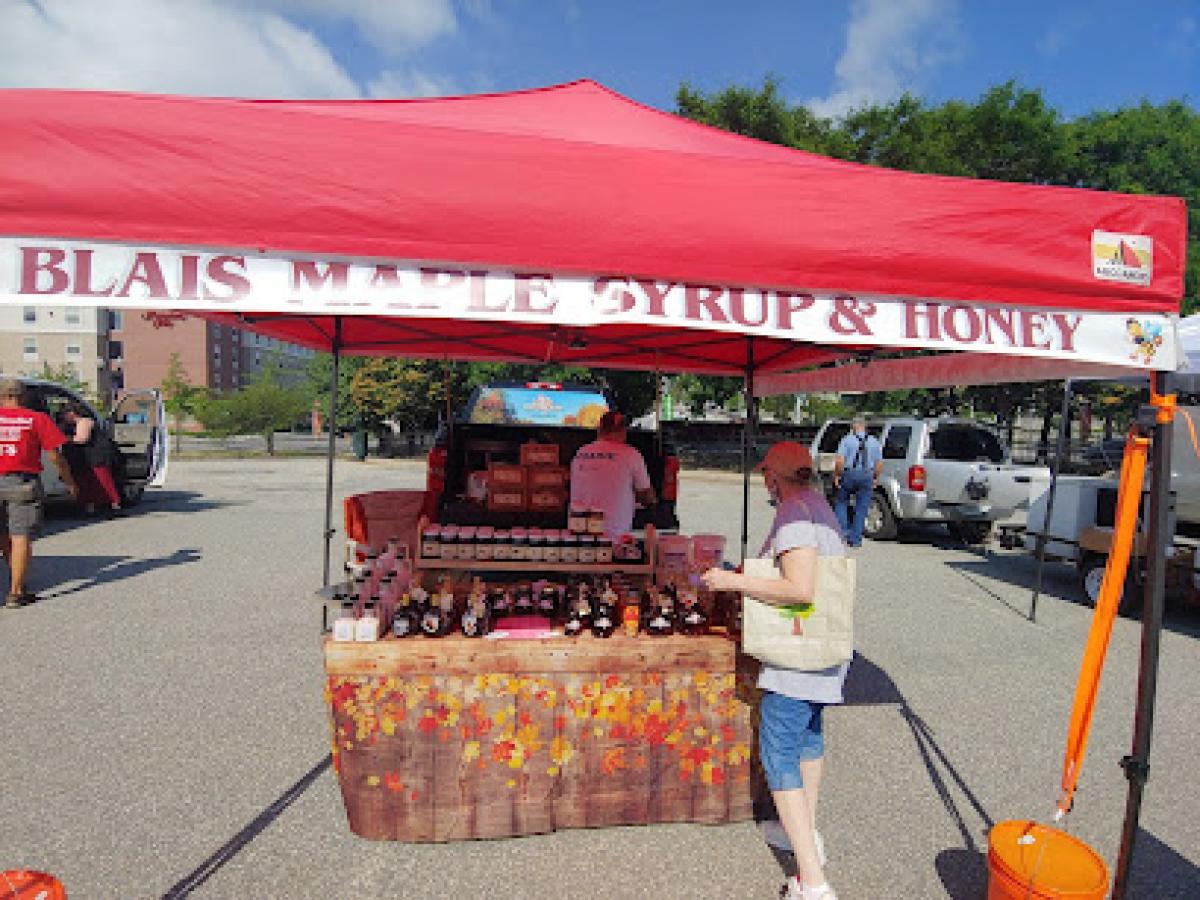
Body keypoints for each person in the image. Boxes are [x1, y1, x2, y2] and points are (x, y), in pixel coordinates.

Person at [702, 441, 848, 900]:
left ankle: (812, 882)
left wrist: (730, 580)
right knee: (808, 741)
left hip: (796, 657)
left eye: (765, 474)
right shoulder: (819, 507)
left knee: (779, 753)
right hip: (824, 651)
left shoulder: (793, 514)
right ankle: (800, 832)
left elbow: (799, 588)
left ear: (772, 476)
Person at [0, 377, 79, 607]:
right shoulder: (37, 419)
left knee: (4, 535)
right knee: (20, 535)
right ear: (23, 396)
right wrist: (69, 481)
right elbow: (55, 455)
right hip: (21, 483)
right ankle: (16, 592)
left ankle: (17, 578)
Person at [569, 410, 656, 536]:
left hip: (580, 531)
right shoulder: (631, 454)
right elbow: (645, 495)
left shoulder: (581, 453)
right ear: (623, 431)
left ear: (599, 430)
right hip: (614, 534)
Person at [58, 402, 123, 516]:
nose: (63, 417)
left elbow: (82, 438)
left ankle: (114, 505)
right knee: (86, 482)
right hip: (84, 457)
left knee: (102, 480)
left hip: (95, 455)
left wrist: (65, 438)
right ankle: (90, 507)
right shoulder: (71, 425)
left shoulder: (84, 422)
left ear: (72, 413)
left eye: (64, 414)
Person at [833, 415, 883, 547]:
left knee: (841, 502)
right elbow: (879, 464)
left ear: (854, 426)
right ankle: (856, 539)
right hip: (867, 475)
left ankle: (843, 533)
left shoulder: (846, 440)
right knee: (862, 507)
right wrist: (875, 477)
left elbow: (839, 461)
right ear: (865, 426)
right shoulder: (874, 442)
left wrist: (837, 475)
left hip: (849, 474)